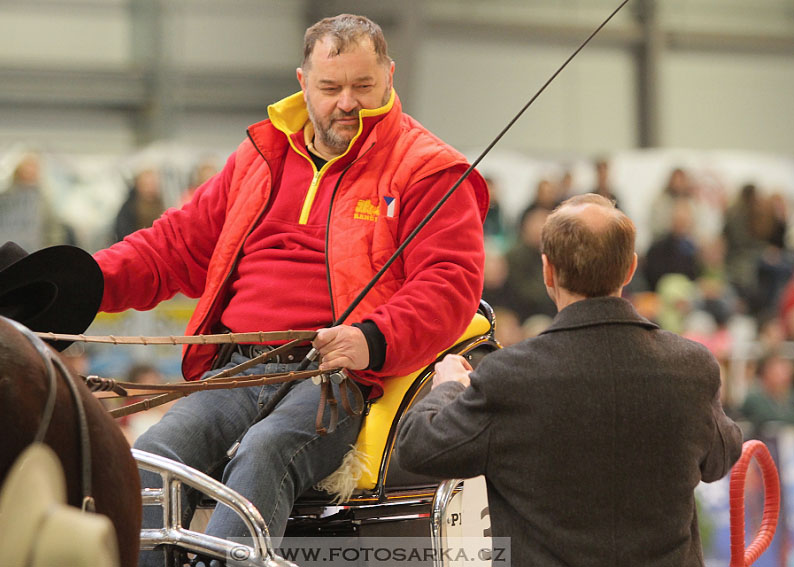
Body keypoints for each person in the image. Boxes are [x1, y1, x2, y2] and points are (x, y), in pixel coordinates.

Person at [92, 13, 487, 564]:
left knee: (265, 452)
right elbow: (173, 246)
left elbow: (451, 284)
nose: (347, 102)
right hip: (238, 365)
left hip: (335, 379)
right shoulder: (260, 156)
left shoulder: (429, 171)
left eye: (363, 86)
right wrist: (84, 281)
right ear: (302, 82)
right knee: (154, 456)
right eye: (330, 87)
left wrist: (373, 338)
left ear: (390, 77)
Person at [397, 193, 741, 567]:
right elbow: (721, 457)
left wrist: (447, 385)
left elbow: (418, 447)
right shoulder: (692, 367)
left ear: (548, 271)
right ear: (630, 269)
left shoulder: (509, 376)